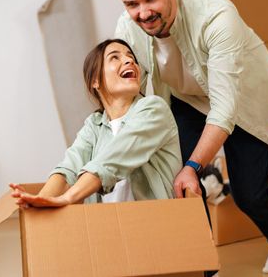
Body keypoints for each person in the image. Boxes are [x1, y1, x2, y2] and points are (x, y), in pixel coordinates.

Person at [113, 0, 268, 274]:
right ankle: (208, 266)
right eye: (131, 4)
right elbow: (128, 93)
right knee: (180, 184)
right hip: (186, 98)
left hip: (244, 100)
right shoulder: (128, 27)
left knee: (248, 194)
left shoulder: (217, 17)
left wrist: (193, 164)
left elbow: (225, 109)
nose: (143, 12)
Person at [11, 39, 182, 207]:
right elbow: (69, 168)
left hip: (154, 226)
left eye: (131, 57)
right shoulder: (94, 124)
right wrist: (40, 200)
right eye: (115, 57)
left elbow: (113, 159)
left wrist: (66, 198)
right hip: (106, 227)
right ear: (95, 80)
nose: (129, 60)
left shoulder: (154, 109)